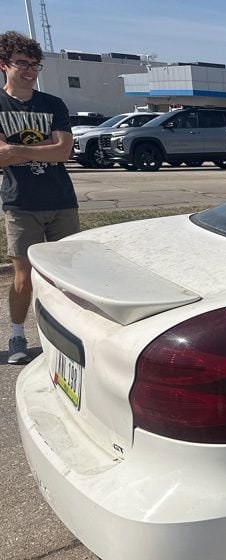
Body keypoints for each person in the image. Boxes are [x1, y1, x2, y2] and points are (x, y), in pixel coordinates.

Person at [0, 30, 78, 364]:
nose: (30, 70)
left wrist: (15, 148)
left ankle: (67, 334)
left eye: (35, 64)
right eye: (22, 63)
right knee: (24, 276)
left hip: (62, 200)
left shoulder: (53, 104)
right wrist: (44, 149)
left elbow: (63, 152)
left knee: (69, 276)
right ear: (4, 64)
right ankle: (17, 337)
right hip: (20, 203)